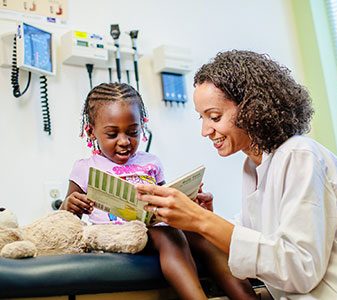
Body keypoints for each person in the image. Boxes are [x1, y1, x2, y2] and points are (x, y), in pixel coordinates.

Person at [136, 50, 337, 299]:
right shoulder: (255, 167)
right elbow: (261, 245)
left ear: (252, 108)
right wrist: (206, 217)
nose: (205, 131)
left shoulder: (299, 155)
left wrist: (202, 220)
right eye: (201, 118)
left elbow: (300, 268)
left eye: (214, 117)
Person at [60, 82, 258, 300]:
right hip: (118, 233)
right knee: (169, 235)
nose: (125, 141)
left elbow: (164, 200)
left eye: (133, 132)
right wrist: (70, 205)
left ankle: (248, 298)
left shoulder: (151, 162)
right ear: (91, 131)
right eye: (112, 134)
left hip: (153, 227)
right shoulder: (85, 167)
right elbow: (65, 220)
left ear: (142, 126)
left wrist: (188, 202)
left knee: (203, 236)